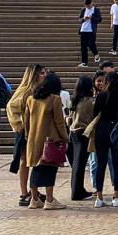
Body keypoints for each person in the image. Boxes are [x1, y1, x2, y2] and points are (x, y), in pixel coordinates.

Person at [23, 73, 69, 210]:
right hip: (50, 140)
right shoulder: (55, 99)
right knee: (50, 169)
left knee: (35, 169)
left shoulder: (31, 99)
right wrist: (65, 137)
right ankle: (49, 200)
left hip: (34, 139)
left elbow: (26, 121)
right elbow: (59, 122)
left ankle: (34, 199)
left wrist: (28, 135)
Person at [7, 64, 46, 207]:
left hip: (36, 131)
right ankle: (24, 193)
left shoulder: (38, 90)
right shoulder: (26, 90)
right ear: (34, 75)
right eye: (42, 73)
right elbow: (11, 107)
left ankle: (33, 190)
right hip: (26, 133)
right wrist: (20, 126)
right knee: (25, 162)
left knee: (35, 161)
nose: (44, 75)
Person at [91, 71, 118, 208]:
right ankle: (116, 196)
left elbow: (95, 113)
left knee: (100, 164)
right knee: (117, 164)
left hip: (102, 130)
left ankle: (100, 197)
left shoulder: (101, 96)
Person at [67, 75, 96, 201]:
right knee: (80, 163)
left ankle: (76, 189)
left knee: (77, 163)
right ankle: (77, 191)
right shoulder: (90, 101)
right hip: (83, 133)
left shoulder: (76, 100)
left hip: (74, 132)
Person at [78, 0, 101, 67]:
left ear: (92, 3)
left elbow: (99, 19)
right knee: (83, 47)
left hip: (91, 30)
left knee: (91, 44)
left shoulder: (96, 10)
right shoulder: (83, 10)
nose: (87, 7)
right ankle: (84, 62)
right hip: (83, 30)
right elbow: (79, 19)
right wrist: (83, 19)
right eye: (86, 5)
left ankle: (96, 54)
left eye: (88, 5)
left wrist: (92, 18)